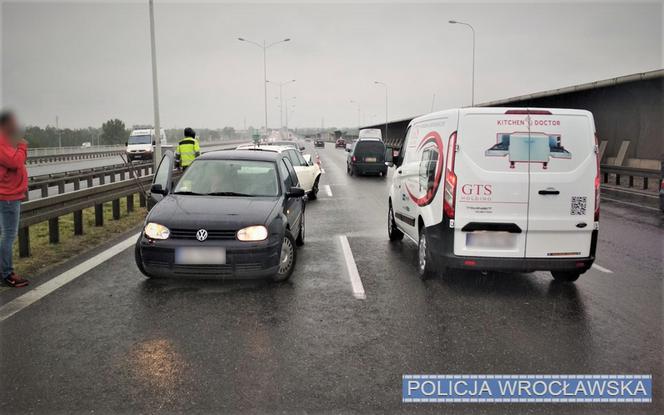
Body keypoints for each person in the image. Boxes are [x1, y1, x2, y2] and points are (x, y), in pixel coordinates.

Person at [0, 111, 29, 287]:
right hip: (7, 196)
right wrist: (22, 146)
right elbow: (15, 162)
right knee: (8, 235)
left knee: (6, 235)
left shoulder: (6, 141)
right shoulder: (2, 142)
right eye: (13, 122)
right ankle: (7, 274)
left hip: (10, 194)